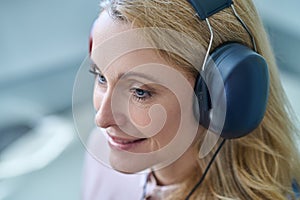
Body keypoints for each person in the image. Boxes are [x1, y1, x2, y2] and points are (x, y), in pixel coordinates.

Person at [81, 0, 300, 199]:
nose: (102, 119)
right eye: (100, 77)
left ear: (219, 92)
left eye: (140, 92)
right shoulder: (103, 149)